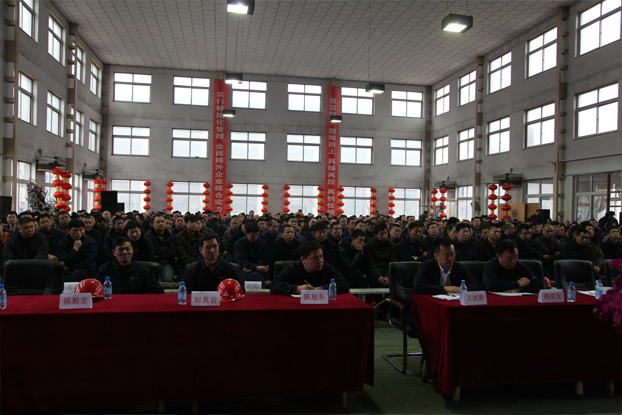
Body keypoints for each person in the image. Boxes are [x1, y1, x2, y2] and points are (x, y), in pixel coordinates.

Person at [270, 240, 350, 295]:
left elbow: (344, 284)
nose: (320, 261)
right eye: (315, 258)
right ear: (303, 259)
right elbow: (274, 285)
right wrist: (297, 289)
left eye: (321, 257)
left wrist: (320, 289)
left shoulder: (326, 267)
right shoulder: (294, 268)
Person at [96, 236, 163, 294]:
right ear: (114, 252)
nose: (125, 252)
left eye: (128, 249)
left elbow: (157, 290)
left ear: (132, 250)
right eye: (120, 250)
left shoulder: (143, 270)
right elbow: (96, 291)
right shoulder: (105, 270)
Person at [413, 237, 481, 295]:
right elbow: (418, 286)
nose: (451, 258)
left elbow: (475, 285)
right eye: (446, 255)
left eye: (453, 254)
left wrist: (460, 290)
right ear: (436, 256)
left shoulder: (459, 267)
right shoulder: (426, 266)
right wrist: (445, 289)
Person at [233, 221, 269, 288]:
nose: (255, 237)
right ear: (246, 233)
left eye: (257, 235)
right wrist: (255, 268)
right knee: (256, 276)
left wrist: (253, 268)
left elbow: (263, 259)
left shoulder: (262, 243)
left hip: (259, 268)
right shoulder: (239, 244)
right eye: (252, 235)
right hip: (243, 269)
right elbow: (241, 261)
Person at [144, 214, 177, 282]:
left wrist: (158, 256)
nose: (161, 223)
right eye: (158, 222)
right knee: (157, 281)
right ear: (153, 225)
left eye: (163, 221)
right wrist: (166, 249)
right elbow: (152, 250)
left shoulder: (170, 236)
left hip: (167, 263)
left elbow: (172, 252)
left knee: (169, 279)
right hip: (153, 263)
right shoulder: (147, 236)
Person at [175, 214, 202, 279]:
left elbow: (202, 252)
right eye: (192, 222)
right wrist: (193, 262)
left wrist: (197, 262)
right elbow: (182, 253)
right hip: (184, 265)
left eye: (196, 223)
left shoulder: (201, 237)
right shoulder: (179, 237)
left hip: (199, 264)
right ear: (186, 224)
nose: (194, 224)